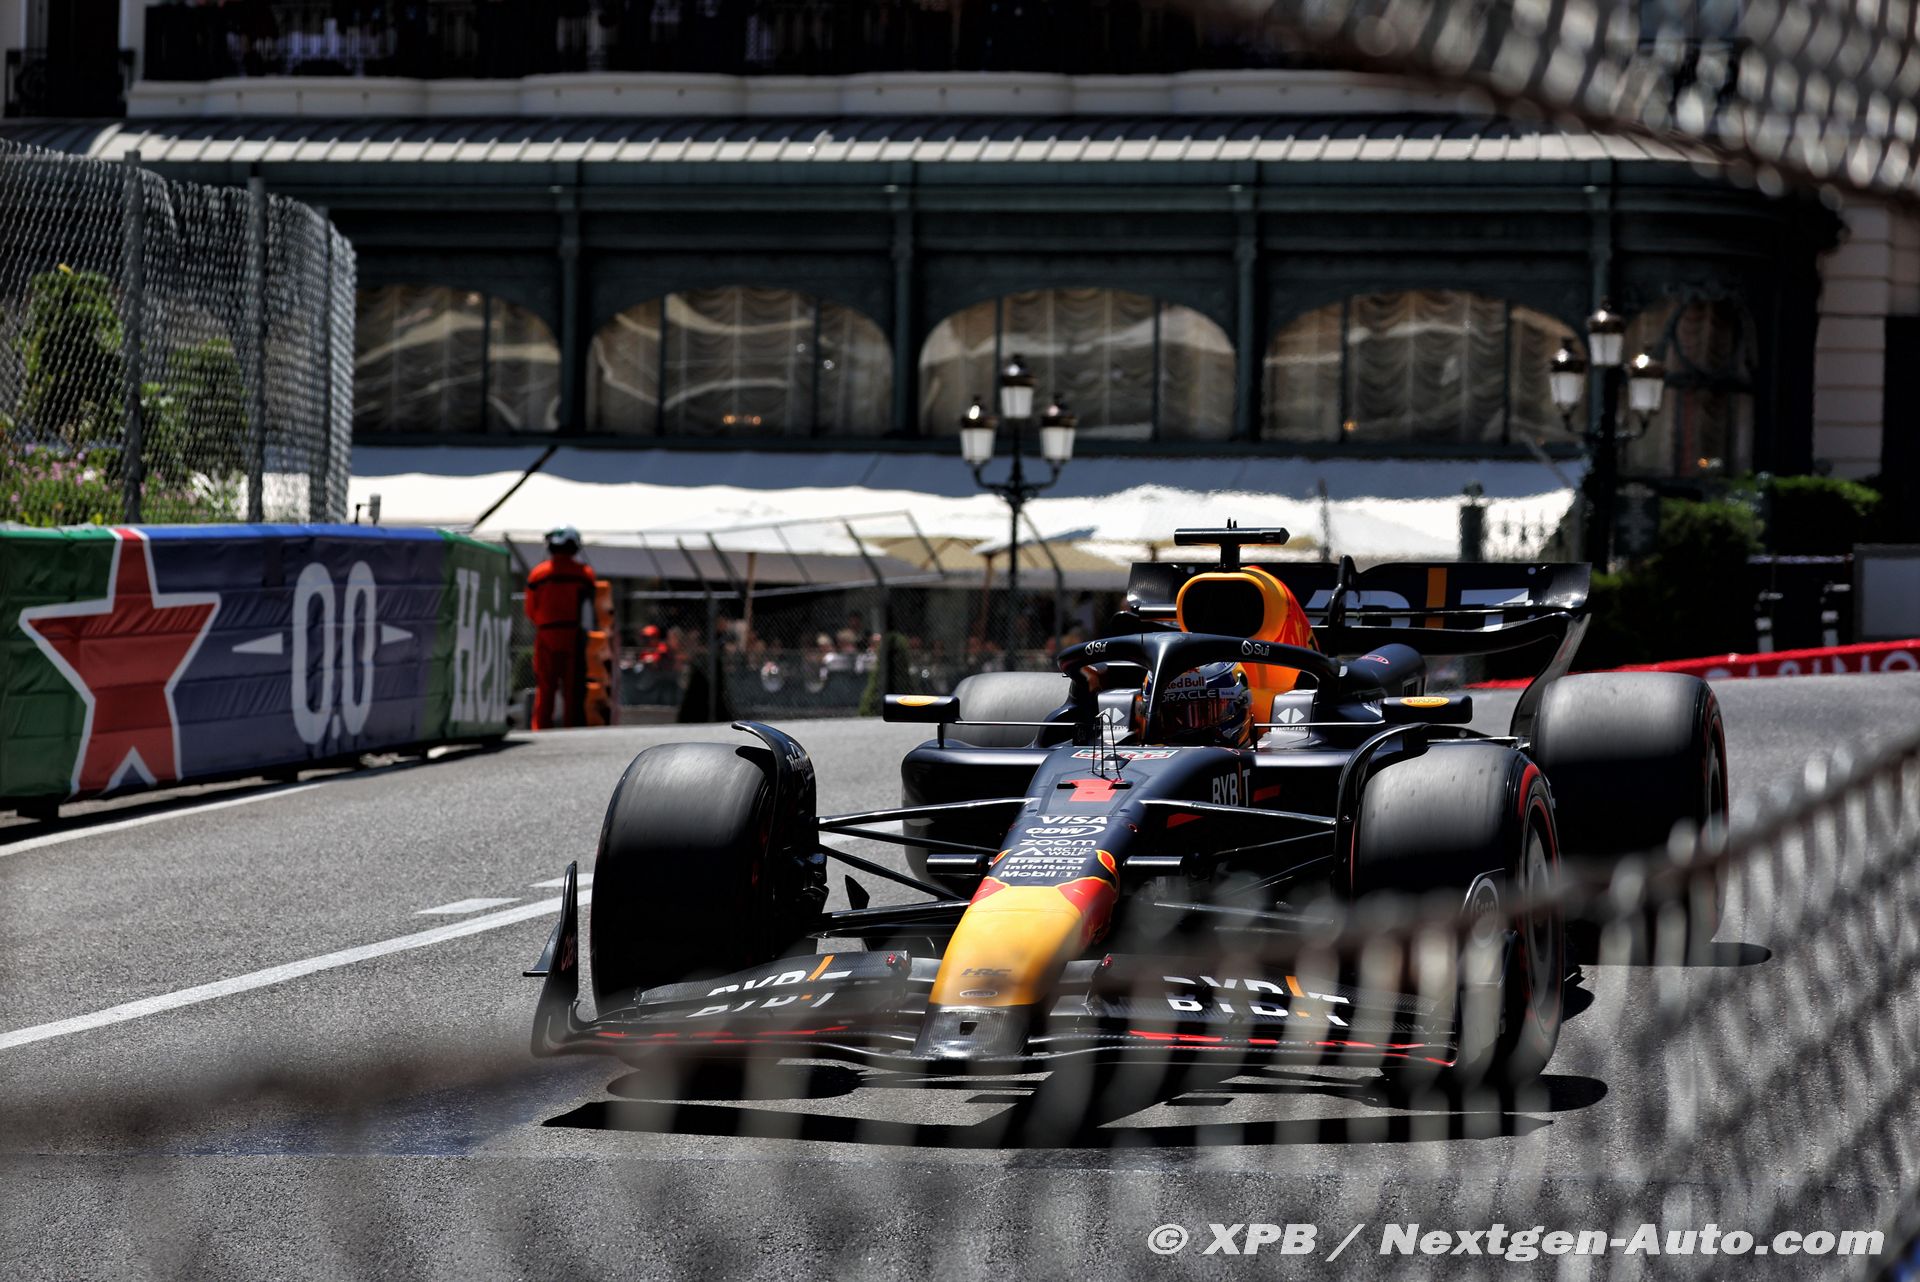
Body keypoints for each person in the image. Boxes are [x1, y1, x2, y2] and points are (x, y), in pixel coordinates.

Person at [524, 526, 597, 730]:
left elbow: (530, 609)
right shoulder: (584, 574)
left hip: (546, 634)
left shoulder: (538, 574)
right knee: (573, 688)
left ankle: (541, 728)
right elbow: (593, 606)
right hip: (574, 635)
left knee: (545, 686)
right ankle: (571, 728)